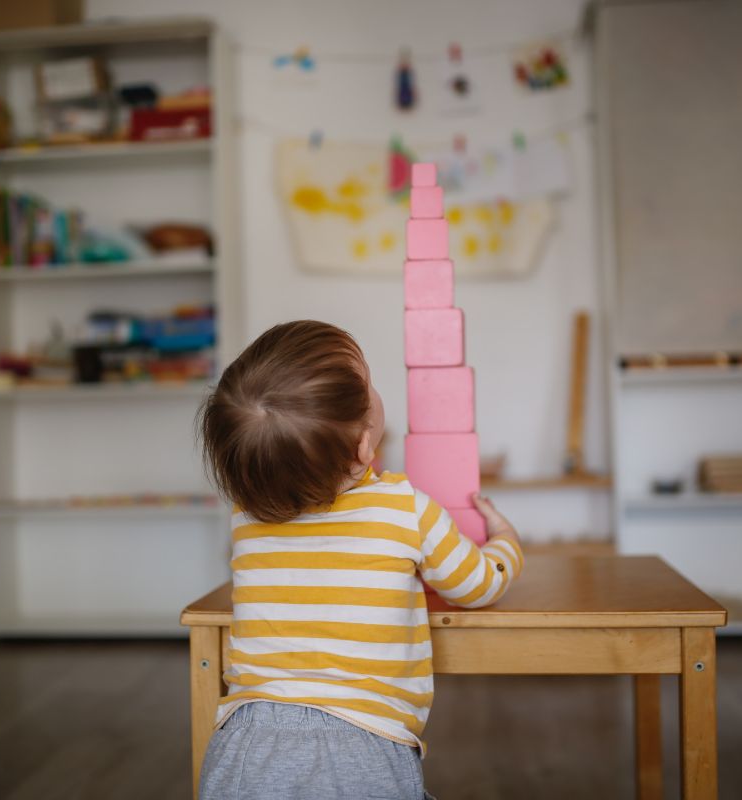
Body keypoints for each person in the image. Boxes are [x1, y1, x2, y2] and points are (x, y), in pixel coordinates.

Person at [196, 320, 524, 800]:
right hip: (359, 747)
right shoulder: (402, 507)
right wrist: (505, 541)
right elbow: (476, 585)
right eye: (368, 383)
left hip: (241, 745)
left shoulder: (246, 519)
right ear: (364, 446)